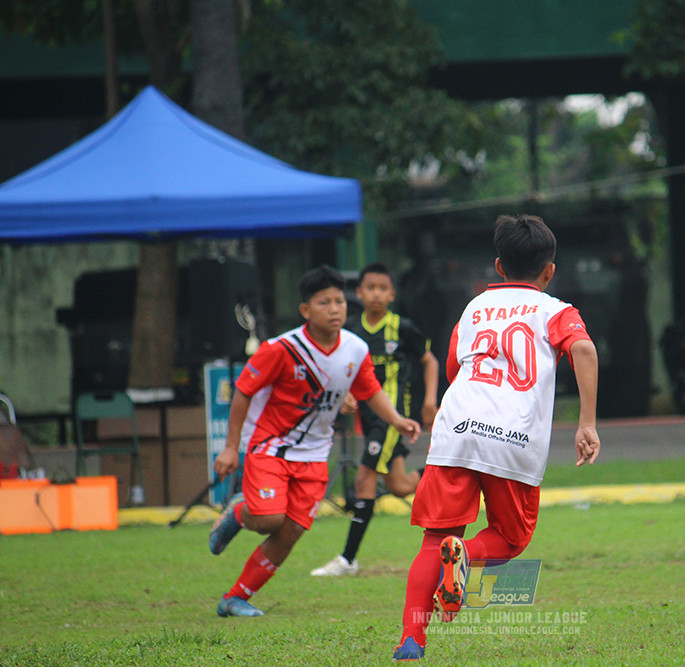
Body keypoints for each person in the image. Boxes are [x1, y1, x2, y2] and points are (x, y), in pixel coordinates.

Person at [391, 214, 600, 661]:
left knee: (434, 540)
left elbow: (453, 371)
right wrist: (586, 423)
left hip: (456, 430)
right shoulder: (556, 310)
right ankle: (464, 554)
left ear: (499, 266)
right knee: (509, 538)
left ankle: (412, 638)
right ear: (549, 271)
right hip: (512, 437)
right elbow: (582, 348)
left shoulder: (472, 309)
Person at [208, 265, 420, 618]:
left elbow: (369, 389)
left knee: (290, 532)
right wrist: (231, 447)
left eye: (340, 301)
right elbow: (244, 391)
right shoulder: (281, 349)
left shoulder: (355, 348)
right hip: (270, 446)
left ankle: (236, 598)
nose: (335, 309)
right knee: (269, 519)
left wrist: (397, 419)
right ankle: (239, 512)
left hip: (315, 455)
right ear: (305, 310)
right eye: (324, 302)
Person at [311, 262, 439, 577]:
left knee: (364, 479)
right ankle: (446, 470)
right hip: (369, 418)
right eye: (371, 288)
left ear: (392, 294)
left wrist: (430, 401)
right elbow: (342, 369)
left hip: (393, 417)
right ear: (359, 292)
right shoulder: (351, 331)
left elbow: (429, 360)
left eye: (383, 288)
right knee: (398, 486)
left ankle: (347, 559)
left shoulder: (403, 328)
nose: (377, 294)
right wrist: (344, 394)